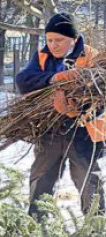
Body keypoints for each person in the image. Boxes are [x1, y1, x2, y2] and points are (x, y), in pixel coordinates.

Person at [16, 12, 106, 217]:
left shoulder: (92, 57)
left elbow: (102, 98)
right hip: (49, 131)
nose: (53, 45)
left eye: (59, 40)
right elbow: (24, 81)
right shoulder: (42, 55)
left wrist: (79, 111)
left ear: (73, 39)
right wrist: (54, 78)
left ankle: (96, 232)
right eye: (49, 40)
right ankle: (36, 228)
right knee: (41, 181)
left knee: (88, 181)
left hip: (83, 133)